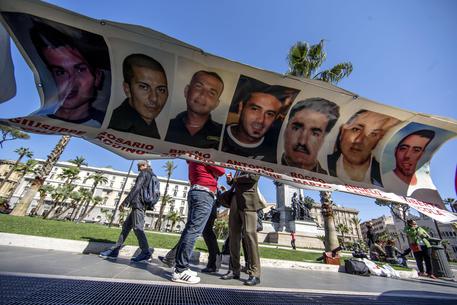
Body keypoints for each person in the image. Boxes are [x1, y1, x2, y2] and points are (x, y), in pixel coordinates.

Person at [30, 19, 108, 127]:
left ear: (97, 77)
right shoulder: (33, 120)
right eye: (60, 72)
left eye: (80, 69)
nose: (70, 80)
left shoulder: (107, 126)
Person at [171, 161, 225, 284]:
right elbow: (221, 171)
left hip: (196, 191)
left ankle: (180, 266)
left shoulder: (193, 158)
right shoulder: (205, 156)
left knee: (189, 230)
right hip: (204, 194)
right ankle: (180, 270)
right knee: (193, 231)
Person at [158, 185, 225, 273]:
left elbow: (219, 201)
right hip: (207, 208)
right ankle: (171, 258)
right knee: (195, 232)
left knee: (204, 234)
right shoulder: (212, 184)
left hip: (209, 209)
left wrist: (219, 194)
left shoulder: (214, 185)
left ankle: (214, 263)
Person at [99, 160, 155, 262]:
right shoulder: (151, 175)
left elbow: (137, 187)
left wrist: (125, 202)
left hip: (139, 204)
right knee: (126, 227)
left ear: (144, 165)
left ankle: (146, 252)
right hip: (139, 204)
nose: (138, 168)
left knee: (138, 228)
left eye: (139, 166)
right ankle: (115, 250)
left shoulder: (144, 173)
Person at [327, 110, 400, 186]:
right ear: (342, 132)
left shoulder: (387, 179)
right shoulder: (320, 166)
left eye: (373, 134)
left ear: (378, 141)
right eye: (356, 129)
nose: (359, 140)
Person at [221, 86, 289, 163]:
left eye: (269, 114)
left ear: (275, 118)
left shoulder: (278, 151)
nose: (261, 120)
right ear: (241, 107)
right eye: (255, 109)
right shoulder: (214, 132)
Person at [221, 171, 266, 286]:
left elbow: (253, 176)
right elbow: (236, 183)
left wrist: (235, 179)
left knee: (250, 236)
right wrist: (231, 180)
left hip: (249, 201)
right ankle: (234, 270)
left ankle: (255, 273)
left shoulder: (256, 160)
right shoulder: (238, 164)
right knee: (233, 236)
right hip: (235, 201)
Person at [109, 54, 168, 139]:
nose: (154, 98)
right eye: (144, 87)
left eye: (161, 90)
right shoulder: (115, 127)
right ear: (127, 89)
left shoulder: (150, 126)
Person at [165, 71, 224, 149]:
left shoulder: (224, 135)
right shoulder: (165, 126)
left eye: (211, 93)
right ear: (187, 91)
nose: (203, 95)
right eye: (198, 87)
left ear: (216, 104)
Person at [282, 98, 340, 174]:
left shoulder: (333, 181)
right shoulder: (263, 162)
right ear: (286, 129)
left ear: (324, 138)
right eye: (296, 128)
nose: (302, 142)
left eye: (315, 133)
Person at [383, 130, 435, 195]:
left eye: (416, 150)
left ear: (422, 155)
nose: (407, 155)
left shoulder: (427, 190)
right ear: (395, 151)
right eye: (403, 148)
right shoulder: (383, 181)